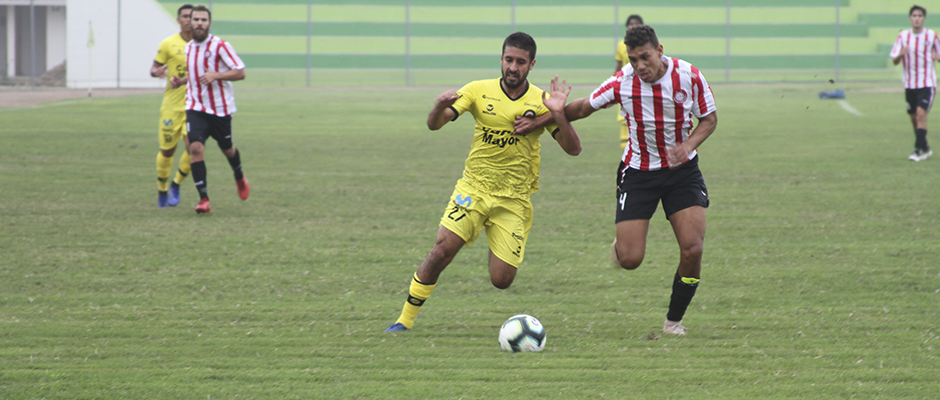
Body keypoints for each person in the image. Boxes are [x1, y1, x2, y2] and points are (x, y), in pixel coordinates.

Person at [385, 32, 582, 332]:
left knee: (501, 280)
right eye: (508, 60)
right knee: (440, 252)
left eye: (520, 62)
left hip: (513, 199)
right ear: (501, 59)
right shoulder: (478, 90)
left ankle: (494, 237)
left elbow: (573, 149)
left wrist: (558, 115)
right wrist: (439, 107)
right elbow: (434, 125)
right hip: (474, 189)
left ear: (532, 64)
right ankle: (403, 321)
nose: (513, 67)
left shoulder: (542, 102)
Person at [562, 25, 717, 335]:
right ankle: (622, 244)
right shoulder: (623, 83)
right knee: (630, 260)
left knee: (693, 250)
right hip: (638, 174)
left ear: (659, 51)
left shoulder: (689, 75)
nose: (640, 66)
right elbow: (581, 108)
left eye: (645, 57)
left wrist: (688, 145)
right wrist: (547, 115)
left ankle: (674, 322)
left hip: (682, 173)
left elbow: (709, 119)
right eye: (633, 60)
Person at [170, 5, 249, 214]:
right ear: (190, 22)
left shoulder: (220, 46)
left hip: (220, 109)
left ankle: (239, 175)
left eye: (203, 20)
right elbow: (196, 73)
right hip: (195, 106)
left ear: (209, 24)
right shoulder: (188, 48)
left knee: (227, 148)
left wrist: (216, 75)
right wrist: (182, 81)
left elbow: (240, 73)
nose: (199, 23)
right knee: (195, 148)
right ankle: (203, 199)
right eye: (195, 20)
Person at [151, 4, 194, 208]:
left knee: (194, 147)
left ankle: (176, 183)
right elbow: (154, 67)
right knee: (168, 151)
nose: (188, 20)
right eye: (184, 16)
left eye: (191, 17)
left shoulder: (203, 45)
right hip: (171, 105)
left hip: (194, 106)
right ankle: (162, 190)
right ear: (179, 20)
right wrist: (157, 72)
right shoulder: (168, 44)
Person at [890, 5, 940, 161]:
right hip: (909, 84)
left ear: (924, 19)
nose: (917, 18)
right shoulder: (903, 37)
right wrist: (900, 54)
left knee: (920, 114)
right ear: (910, 19)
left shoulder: (932, 36)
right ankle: (925, 147)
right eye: (914, 16)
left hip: (927, 83)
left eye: (920, 16)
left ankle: (917, 151)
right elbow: (894, 61)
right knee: (913, 118)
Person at [613, 14, 645, 150]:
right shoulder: (621, 45)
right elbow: (618, 68)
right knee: (625, 120)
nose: (632, 27)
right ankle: (627, 154)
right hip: (627, 86)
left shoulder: (647, 45)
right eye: (630, 25)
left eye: (636, 25)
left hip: (644, 85)